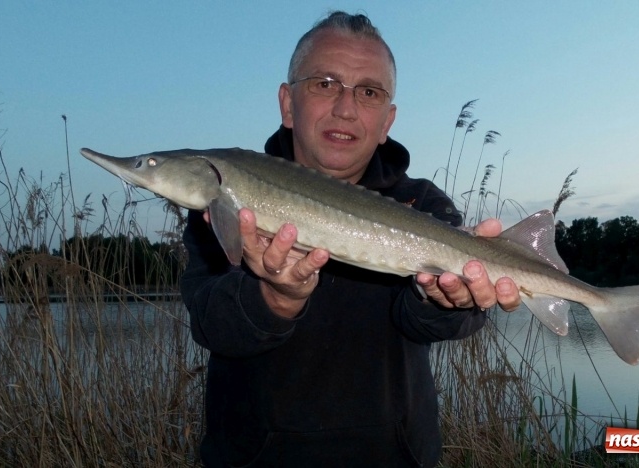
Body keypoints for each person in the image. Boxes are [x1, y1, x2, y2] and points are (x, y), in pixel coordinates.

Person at [181, 11, 521, 468]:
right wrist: (274, 298)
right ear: (287, 103)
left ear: (387, 121)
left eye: (368, 92)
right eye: (324, 83)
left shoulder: (421, 203)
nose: (345, 107)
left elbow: (438, 322)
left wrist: (440, 300)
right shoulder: (223, 199)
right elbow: (209, 325)